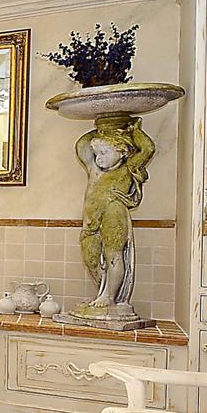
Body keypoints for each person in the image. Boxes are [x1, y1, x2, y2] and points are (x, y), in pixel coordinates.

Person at [73, 116, 154, 317]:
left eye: (104, 152)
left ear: (123, 151)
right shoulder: (94, 169)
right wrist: (104, 129)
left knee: (114, 255)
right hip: (91, 220)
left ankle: (110, 296)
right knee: (90, 256)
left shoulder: (128, 167)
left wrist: (133, 130)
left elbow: (147, 149)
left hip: (113, 213)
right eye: (96, 153)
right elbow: (81, 144)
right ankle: (103, 289)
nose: (98, 157)